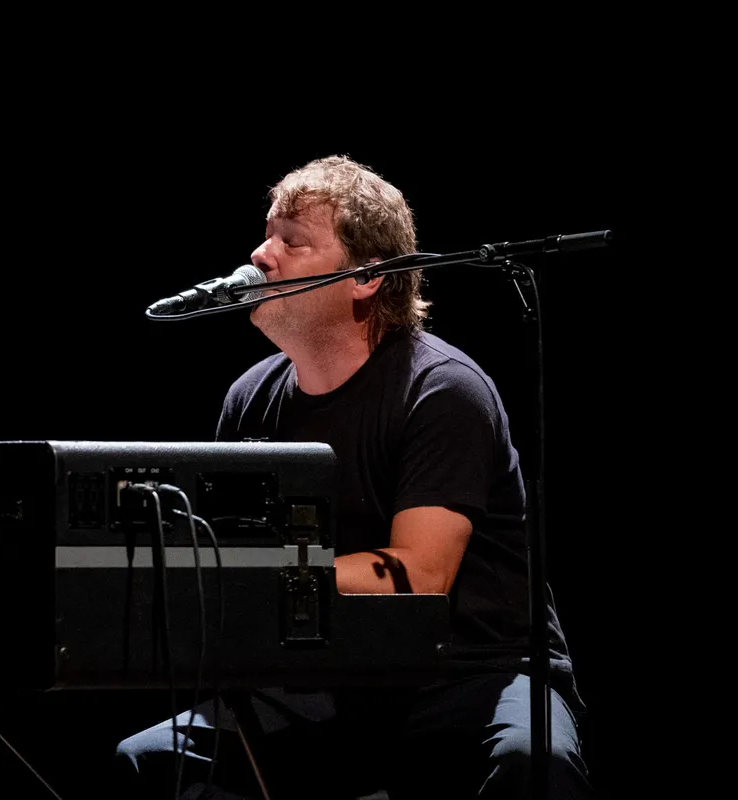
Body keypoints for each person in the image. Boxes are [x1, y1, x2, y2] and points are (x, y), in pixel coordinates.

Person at [114, 155, 594, 798]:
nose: (260, 255)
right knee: (150, 761)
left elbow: (419, 575)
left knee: (529, 761)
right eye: (267, 234)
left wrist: (254, 579)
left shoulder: (442, 390)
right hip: (323, 676)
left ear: (366, 276)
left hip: (468, 672)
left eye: (293, 241)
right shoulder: (249, 398)